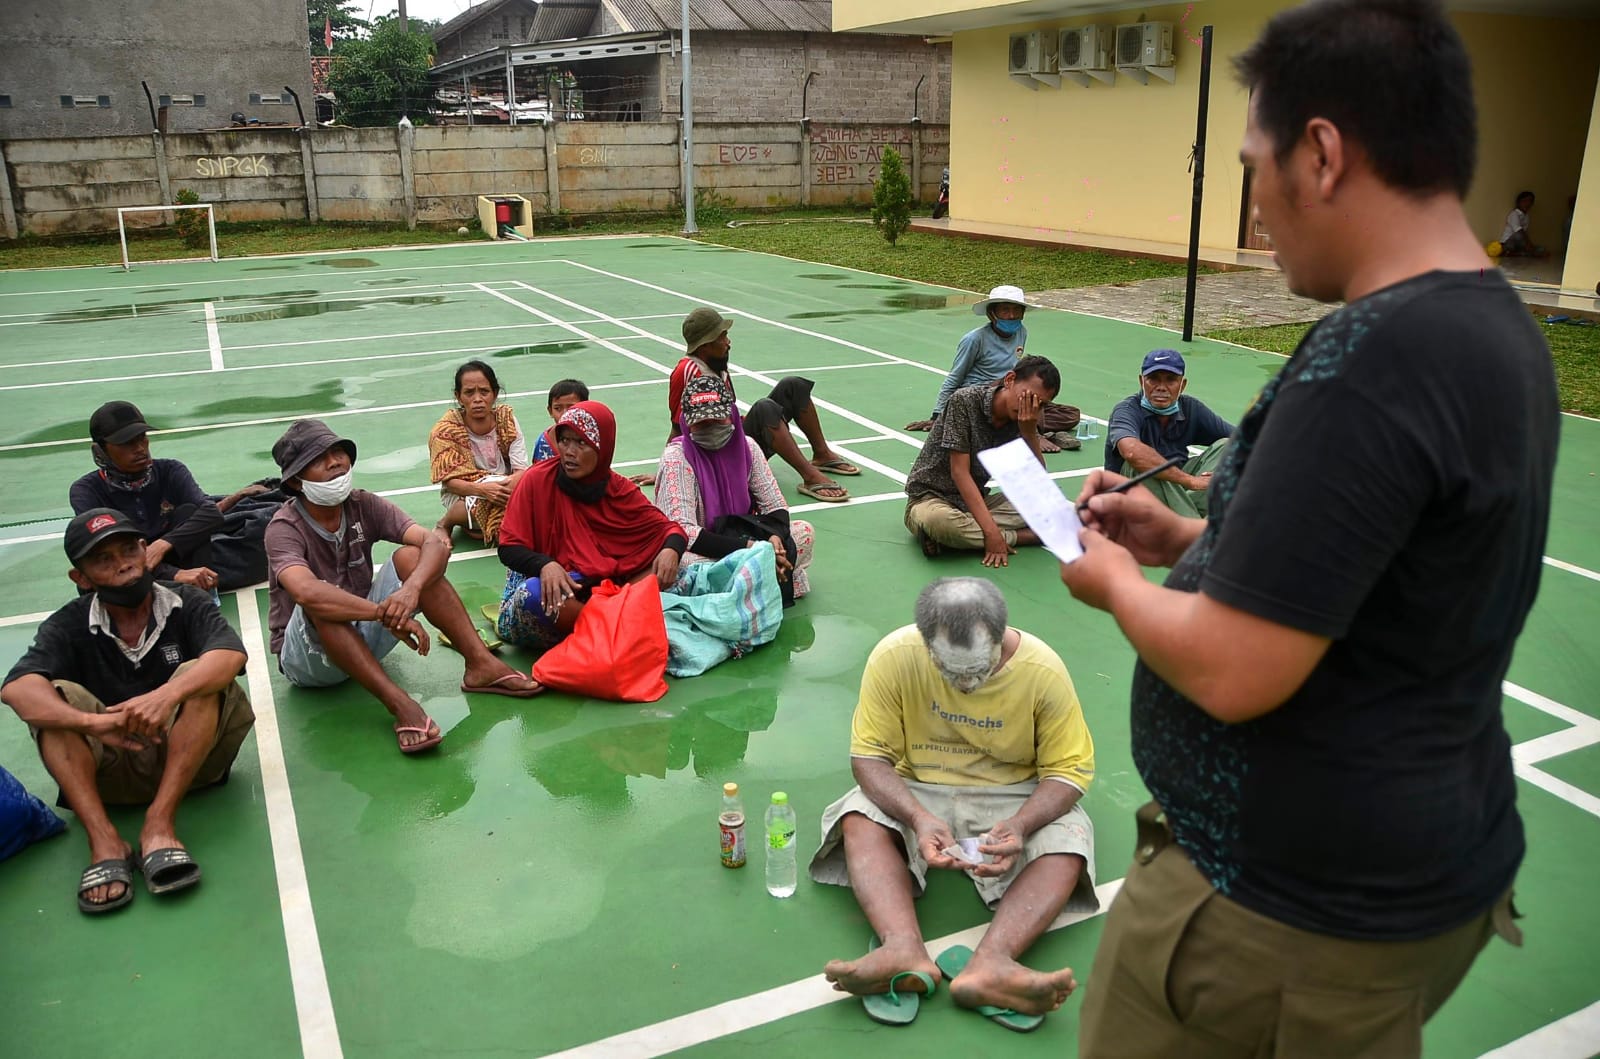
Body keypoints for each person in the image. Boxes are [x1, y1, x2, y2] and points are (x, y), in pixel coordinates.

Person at [1063, 3, 1556, 1055]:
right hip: (1409, 876)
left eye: (1253, 162)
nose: (1252, 200)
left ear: (1322, 153)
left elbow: (1238, 670)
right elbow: (1376, 589)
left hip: (1277, 919)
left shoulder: (1369, 365)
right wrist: (1188, 544)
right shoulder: (1491, 326)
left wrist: (1118, 584)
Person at [810, 578, 1097, 1030]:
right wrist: (917, 818)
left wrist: (1022, 825)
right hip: (918, 786)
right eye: (952, 672)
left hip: (1012, 794)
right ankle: (901, 948)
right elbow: (869, 760)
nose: (966, 685)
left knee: (1070, 839)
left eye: (979, 671)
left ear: (1002, 637)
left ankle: (993, 964)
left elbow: (1068, 772)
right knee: (858, 814)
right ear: (925, 644)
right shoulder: (893, 657)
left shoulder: (1043, 671)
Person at [1, 509, 256, 914]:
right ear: (80, 579)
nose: (123, 564)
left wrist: (165, 696)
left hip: (192, 766)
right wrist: (94, 722)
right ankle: (104, 840)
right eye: (104, 559)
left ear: (145, 550)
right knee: (54, 700)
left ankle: (159, 824)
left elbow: (229, 656)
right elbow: (16, 689)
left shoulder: (185, 600)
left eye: (129, 549)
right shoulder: (68, 624)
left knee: (200, 676)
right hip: (112, 773)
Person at [266, 419, 541, 756]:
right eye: (320, 458)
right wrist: (383, 613)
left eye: (338, 452)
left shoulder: (362, 504)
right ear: (296, 480)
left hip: (364, 632)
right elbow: (307, 594)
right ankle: (401, 705)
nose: (336, 461)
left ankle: (481, 666)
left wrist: (410, 591)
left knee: (413, 558)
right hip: (308, 661)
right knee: (322, 600)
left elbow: (434, 543)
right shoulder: (283, 528)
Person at [496, 401, 687, 650]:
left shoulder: (619, 489)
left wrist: (671, 550)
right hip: (559, 592)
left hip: (606, 591)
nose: (569, 452)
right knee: (532, 595)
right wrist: (545, 565)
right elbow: (508, 547)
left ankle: (600, 628)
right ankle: (611, 629)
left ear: (603, 447)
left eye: (581, 443)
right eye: (564, 441)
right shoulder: (536, 480)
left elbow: (670, 530)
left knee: (674, 570)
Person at [670, 307, 859, 504]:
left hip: (735, 442)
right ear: (705, 346)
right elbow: (678, 427)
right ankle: (810, 476)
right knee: (765, 408)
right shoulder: (687, 372)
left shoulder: (717, 364)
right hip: (719, 459)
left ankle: (822, 455)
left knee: (793, 386)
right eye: (722, 337)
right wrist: (671, 470)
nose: (728, 342)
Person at [653, 375, 814, 604]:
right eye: (701, 422)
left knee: (804, 533)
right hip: (706, 549)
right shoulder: (677, 459)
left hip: (747, 539)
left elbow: (775, 506)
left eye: (716, 420)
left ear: (731, 416)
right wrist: (752, 550)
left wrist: (774, 539)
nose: (709, 428)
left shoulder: (747, 448)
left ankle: (743, 586)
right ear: (687, 422)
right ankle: (763, 579)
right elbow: (684, 531)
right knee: (684, 565)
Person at [903, 355, 1060, 565]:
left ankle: (951, 540)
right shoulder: (965, 400)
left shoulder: (1027, 417)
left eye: (1041, 404)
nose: (1032, 407)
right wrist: (991, 534)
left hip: (977, 503)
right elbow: (959, 472)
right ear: (1010, 379)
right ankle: (1025, 536)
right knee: (938, 522)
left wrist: (1030, 432)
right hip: (930, 498)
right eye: (1028, 397)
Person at [69, 401, 228, 593]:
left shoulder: (170, 470)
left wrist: (162, 545)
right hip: (124, 573)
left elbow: (211, 512)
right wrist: (174, 574)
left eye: (142, 437)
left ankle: (199, 593)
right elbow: (106, 554)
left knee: (189, 512)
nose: (140, 448)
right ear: (100, 451)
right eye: (127, 443)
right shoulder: (86, 491)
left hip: (171, 560)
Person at [906, 285, 1081, 452]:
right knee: (1021, 400)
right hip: (981, 396)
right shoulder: (974, 339)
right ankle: (1034, 434)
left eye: (1016, 310)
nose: (1011, 315)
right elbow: (954, 378)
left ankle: (1039, 431)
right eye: (1005, 310)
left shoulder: (1022, 332)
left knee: (1069, 413)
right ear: (992, 314)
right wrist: (938, 416)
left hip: (1009, 392)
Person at [1102, 349, 1234, 518]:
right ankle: (1195, 531)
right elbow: (1131, 451)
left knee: (1228, 447)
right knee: (1139, 462)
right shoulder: (1126, 410)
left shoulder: (1191, 408)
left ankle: (1188, 519)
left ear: (1182, 385)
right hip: (1127, 502)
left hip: (1174, 495)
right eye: (1153, 379)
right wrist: (1190, 481)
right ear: (1142, 381)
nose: (1161, 388)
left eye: (1170, 380)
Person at [429, 360, 530, 545]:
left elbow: (521, 471)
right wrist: (483, 489)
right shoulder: (446, 430)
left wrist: (501, 489)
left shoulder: (507, 420)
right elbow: (451, 482)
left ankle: (478, 525)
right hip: (465, 492)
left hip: (504, 487)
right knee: (508, 521)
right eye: (469, 393)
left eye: (484, 391)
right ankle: (446, 523)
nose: (477, 399)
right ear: (458, 396)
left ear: (495, 394)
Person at [529, 378, 589, 463]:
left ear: (585, 408)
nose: (564, 414)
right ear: (550, 411)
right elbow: (537, 472)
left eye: (571, 407)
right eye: (558, 408)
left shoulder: (592, 438)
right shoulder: (544, 442)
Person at [1498, 190, 1543, 256]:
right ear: (1518, 203)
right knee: (1519, 235)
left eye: (1530, 201)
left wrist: (1530, 246)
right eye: (1524, 201)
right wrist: (1529, 244)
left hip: (1518, 244)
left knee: (1539, 248)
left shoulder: (1526, 216)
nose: (1527, 204)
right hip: (1507, 243)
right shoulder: (1514, 214)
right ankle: (1508, 252)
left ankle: (1517, 253)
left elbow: (1524, 233)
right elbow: (1519, 231)